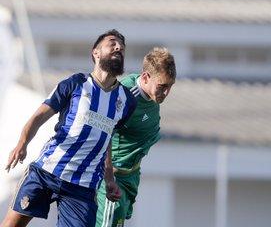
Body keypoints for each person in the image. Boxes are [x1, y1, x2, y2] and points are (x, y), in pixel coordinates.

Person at [1, 29, 137, 227]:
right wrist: (22, 144)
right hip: (47, 171)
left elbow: (105, 140)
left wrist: (109, 179)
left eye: (122, 48)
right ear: (96, 53)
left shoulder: (126, 101)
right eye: (112, 43)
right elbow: (39, 116)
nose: (119, 48)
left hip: (82, 187)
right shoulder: (75, 84)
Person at [96, 47, 176, 227]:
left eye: (170, 86)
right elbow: (102, 133)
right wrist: (109, 177)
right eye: (162, 86)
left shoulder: (151, 95)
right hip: (113, 177)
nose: (166, 93)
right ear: (146, 77)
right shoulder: (124, 96)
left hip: (131, 175)